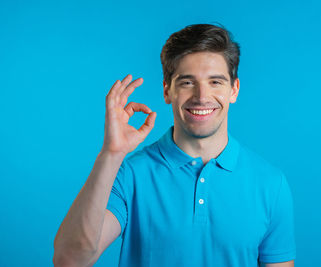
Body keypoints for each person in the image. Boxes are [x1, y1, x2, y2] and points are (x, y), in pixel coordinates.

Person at [53, 23, 296, 267]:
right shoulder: (129, 175)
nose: (201, 96)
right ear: (167, 90)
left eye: (215, 82)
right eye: (187, 82)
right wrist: (111, 154)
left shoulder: (271, 184)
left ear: (234, 90)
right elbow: (70, 260)